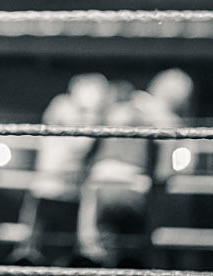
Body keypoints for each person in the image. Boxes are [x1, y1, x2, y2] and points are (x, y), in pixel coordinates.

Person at [75, 69, 193, 268]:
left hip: (103, 186)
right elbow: (173, 155)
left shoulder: (125, 107)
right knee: (132, 252)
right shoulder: (161, 117)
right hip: (134, 188)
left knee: (97, 250)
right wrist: (160, 179)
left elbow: (88, 147)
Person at [10, 73, 111, 266]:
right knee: (33, 246)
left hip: (69, 188)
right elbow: (80, 145)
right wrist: (93, 117)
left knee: (62, 247)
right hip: (52, 184)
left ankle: (81, 253)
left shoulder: (67, 108)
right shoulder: (63, 107)